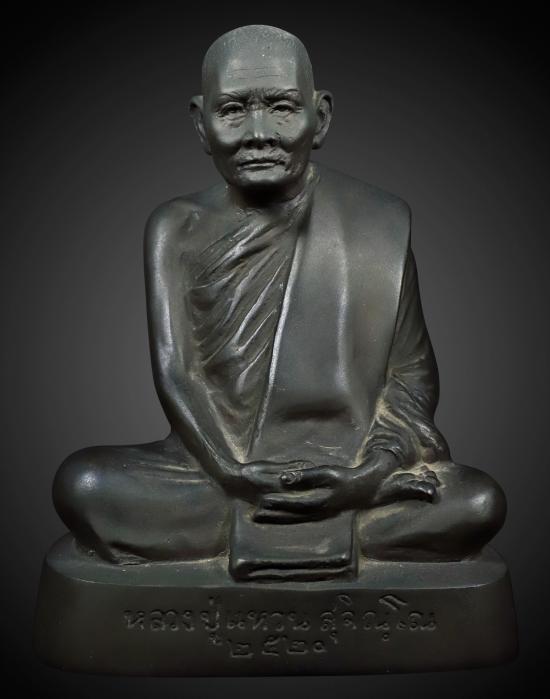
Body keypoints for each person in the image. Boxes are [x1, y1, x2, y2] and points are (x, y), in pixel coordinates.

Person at [53, 25, 506, 579]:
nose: (259, 134)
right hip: (216, 472)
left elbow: (409, 378)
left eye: (283, 108)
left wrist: (369, 475)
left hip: (354, 468)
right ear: (201, 123)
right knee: (86, 484)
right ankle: (315, 527)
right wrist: (232, 472)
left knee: (478, 502)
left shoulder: (376, 222)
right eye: (233, 111)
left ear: (321, 117)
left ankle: (301, 519)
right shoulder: (177, 228)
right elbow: (179, 374)